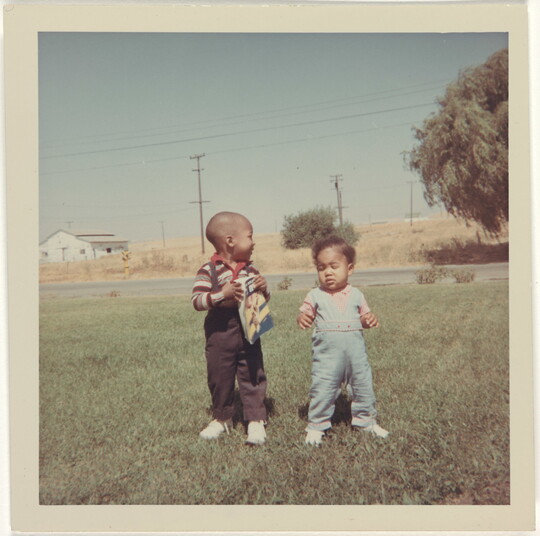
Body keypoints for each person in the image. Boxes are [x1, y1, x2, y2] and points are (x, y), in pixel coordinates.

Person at [297, 235, 389, 446]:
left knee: (363, 386)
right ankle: (316, 425)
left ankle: (366, 421)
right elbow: (303, 313)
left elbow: (364, 318)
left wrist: (368, 319)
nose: (328, 272)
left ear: (350, 268)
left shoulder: (357, 294)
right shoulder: (315, 295)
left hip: (356, 356)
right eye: (321, 268)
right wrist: (302, 318)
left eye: (334, 266)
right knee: (323, 388)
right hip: (328, 357)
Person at [192, 211, 270, 445]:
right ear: (230, 240)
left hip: (249, 329)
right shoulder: (209, 270)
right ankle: (222, 417)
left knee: (253, 372)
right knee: (220, 375)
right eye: (250, 236)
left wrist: (264, 289)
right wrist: (221, 294)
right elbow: (197, 300)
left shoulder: (251, 270)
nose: (254, 242)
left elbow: (263, 299)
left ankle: (255, 419)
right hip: (220, 332)